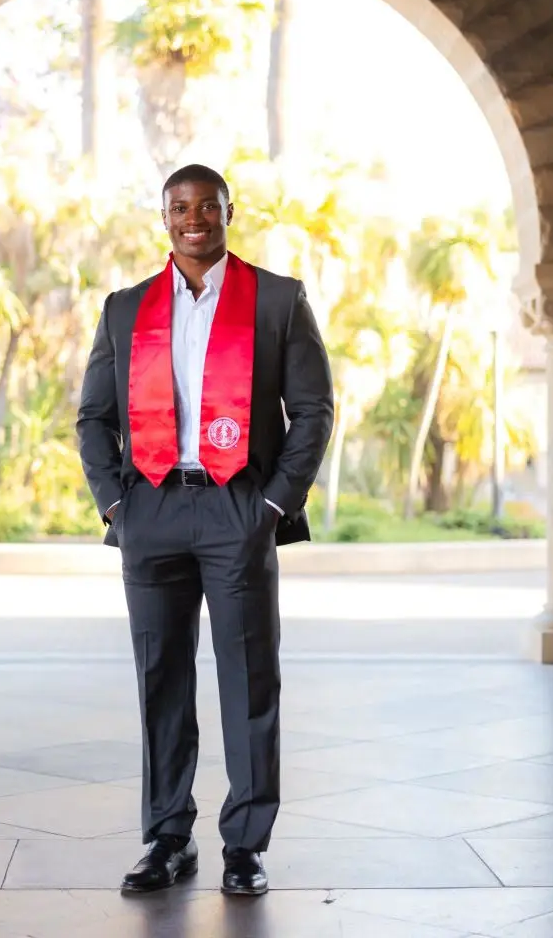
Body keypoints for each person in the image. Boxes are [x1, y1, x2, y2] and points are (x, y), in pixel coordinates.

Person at [77, 164, 333, 896]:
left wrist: (275, 504)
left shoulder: (277, 301)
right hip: (151, 508)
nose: (195, 219)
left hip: (237, 509)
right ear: (164, 217)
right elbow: (93, 416)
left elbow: (313, 410)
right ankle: (167, 837)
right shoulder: (126, 308)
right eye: (180, 208)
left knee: (250, 679)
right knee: (161, 679)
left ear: (228, 212)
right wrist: (115, 506)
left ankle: (245, 844)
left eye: (207, 207)